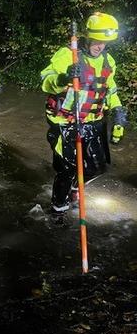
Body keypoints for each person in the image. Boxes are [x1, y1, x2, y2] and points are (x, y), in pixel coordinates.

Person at [41, 12, 127, 222]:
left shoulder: (109, 61)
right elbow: (45, 80)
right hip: (65, 122)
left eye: (105, 43)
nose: (101, 46)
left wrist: (118, 113)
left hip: (92, 120)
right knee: (67, 167)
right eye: (97, 41)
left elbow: (111, 90)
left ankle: (73, 188)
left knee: (98, 166)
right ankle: (58, 210)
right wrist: (63, 77)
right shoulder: (68, 55)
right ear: (88, 38)